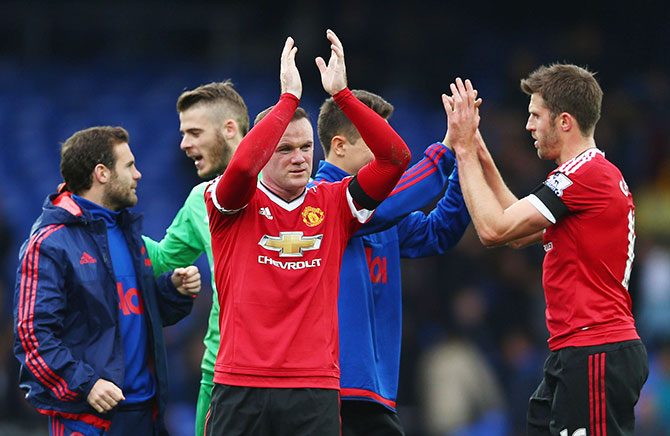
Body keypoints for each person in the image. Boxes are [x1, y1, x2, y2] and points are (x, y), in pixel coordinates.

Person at [203, 30, 411, 435]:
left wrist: (344, 96)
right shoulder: (229, 203)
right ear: (264, 152)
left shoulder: (335, 203)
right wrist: (288, 100)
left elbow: (395, 158)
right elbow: (244, 168)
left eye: (305, 147)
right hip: (241, 381)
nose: (299, 159)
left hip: (313, 385)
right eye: (284, 149)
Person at [443, 65, 648, 436]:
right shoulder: (587, 176)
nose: (529, 126)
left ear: (564, 121)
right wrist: (478, 149)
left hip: (595, 350)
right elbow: (516, 231)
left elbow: (493, 229)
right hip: (576, 352)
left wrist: (462, 151)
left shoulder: (583, 177)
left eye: (536, 115)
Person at [13, 126, 202, 436]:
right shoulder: (49, 244)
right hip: (89, 418)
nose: (138, 174)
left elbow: (131, 316)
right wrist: (84, 384)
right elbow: (33, 336)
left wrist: (171, 292)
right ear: (102, 173)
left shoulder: (130, 234)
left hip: (146, 412)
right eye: (129, 165)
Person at [312, 89, 470, 435]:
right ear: (339, 146)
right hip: (331, 389)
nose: (388, 153)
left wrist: (463, 161)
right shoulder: (317, 203)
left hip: (375, 390)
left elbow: (437, 233)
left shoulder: (385, 212)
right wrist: (444, 150)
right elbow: (378, 209)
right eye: (378, 143)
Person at [141, 80, 249, 436]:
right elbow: (161, 259)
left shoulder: (287, 188)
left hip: (293, 373)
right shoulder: (199, 199)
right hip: (219, 370)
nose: (184, 144)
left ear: (229, 130)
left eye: (194, 132)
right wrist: (110, 219)